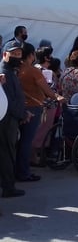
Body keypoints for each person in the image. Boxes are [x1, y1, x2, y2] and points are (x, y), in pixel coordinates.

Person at [17, 42, 65, 182]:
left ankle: (18, 169)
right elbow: (48, 91)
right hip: (33, 107)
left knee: (20, 141)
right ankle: (24, 172)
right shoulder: (33, 71)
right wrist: (58, 97)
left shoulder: (17, 69)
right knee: (28, 141)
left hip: (20, 107)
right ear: (31, 55)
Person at [0, 41, 27, 197]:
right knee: (7, 153)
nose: (17, 57)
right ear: (5, 55)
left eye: (19, 54)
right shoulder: (4, 72)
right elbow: (8, 100)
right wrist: (21, 114)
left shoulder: (10, 71)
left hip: (10, 117)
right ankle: (8, 187)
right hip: (6, 119)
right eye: (14, 54)